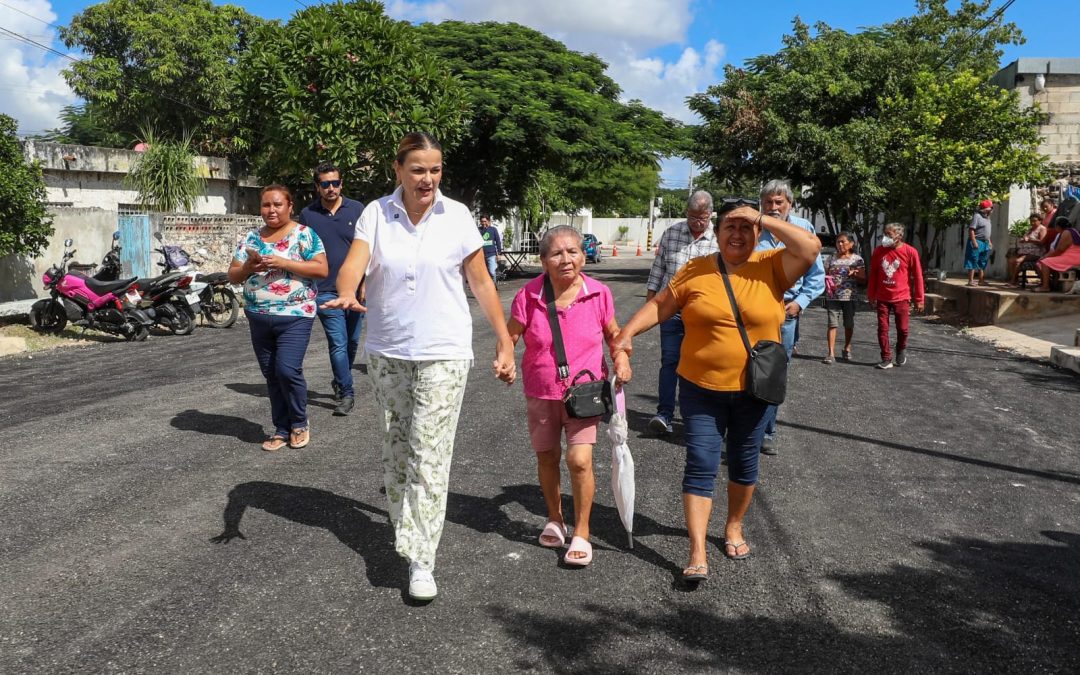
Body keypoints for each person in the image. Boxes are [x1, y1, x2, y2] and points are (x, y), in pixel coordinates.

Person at [322, 132, 516, 601]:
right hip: (388, 351)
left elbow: (481, 281)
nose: (428, 179)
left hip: (445, 350)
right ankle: (406, 526)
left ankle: (420, 557)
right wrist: (346, 290)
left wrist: (504, 339)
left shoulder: (458, 215)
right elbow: (354, 264)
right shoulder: (376, 213)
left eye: (435, 170)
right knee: (396, 449)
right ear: (398, 170)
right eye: (418, 170)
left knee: (429, 453)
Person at [612, 198, 820, 582]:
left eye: (745, 227)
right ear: (717, 231)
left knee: (744, 461)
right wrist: (626, 334)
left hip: (754, 389)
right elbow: (661, 305)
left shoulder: (773, 265)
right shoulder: (696, 269)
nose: (737, 234)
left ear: (758, 232)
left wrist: (761, 217)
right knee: (700, 463)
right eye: (730, 226)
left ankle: (734, 526)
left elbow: (810, 248)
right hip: (700, 389)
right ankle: (696, 549)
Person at [506, 226, 631, 567]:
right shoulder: (528, 295)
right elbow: (511, 336)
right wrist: (504, 358)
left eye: (573, 251)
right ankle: (555, 518)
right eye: (557, 253)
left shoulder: (599, 293)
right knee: (547, 457)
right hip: (541, 390)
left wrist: (621, 358)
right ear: (543, 260)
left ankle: (582, 531)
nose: (566, 259)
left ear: (583, 256)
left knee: (579, 460)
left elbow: (614, 334)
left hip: (585, 392)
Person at [228, 185, 328, 452]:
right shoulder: (251, 238)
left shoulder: (304, 234)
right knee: (271, 374)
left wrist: (284, 263)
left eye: (277, 204)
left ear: (290, 206)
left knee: (287, 369)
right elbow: (233, 275)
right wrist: (248, 267)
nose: (271, 210)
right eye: (266, 205)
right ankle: (282, 428)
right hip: (258, 315)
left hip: (295, 315)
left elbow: (321, 269)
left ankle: (299, 423)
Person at [754, 180, 824, 455]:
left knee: (773, 376)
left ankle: (766, 432)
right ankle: (746, 429)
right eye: (768, 202)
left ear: (789, 204)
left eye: (778, 202)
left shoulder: (803, 230)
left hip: (786, 316)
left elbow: (817, 276)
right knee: (747, 371)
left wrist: (800, 302)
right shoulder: (753, 230)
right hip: (754, 313)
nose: (773, 207)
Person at [644, 190, 719, 435]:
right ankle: (664, 414)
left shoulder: (718, 239)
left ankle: (695, 417)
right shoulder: (672, 233)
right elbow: (658, 268)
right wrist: (650, 300)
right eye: (693, 216)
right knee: (670, 361)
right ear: (686, 212)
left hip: (704, 314)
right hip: (671, 310)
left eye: (702, 217)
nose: (697, 222)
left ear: (710, 214)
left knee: (701, 364)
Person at [298, 162, 365, 416]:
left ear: (341, 183)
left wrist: (365, 282)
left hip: (355, 289)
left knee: (352, 342)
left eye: (335, 183)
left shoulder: (357, 209)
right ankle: (347, 393)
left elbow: (369, 249)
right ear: (317, 187)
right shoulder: (308, 215)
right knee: (338, 342)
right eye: (325, 184)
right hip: (325, 290)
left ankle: (339, 380)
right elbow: (304, 251)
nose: (331, 188)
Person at [867, 223, 924, 369]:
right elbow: (873, 274)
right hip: (882, 297)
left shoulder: (910, 252)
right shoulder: (879, 251)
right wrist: (871, 295)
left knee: (903, 329)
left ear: (899, 236)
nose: (885, 237)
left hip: (902, 297)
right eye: (885, 234)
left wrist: (919, 299)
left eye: (889, 235)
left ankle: (901, 348)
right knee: (882, 328)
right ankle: (886, 358)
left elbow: (918, 276)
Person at [821, 232, 864, 363]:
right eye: (838, 242)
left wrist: (855, 274)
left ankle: (847, 348)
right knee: (832, 324)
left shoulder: (857, 260)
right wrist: (826, 281)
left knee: (848, 324)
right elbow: (823, 274)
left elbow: (863, 279)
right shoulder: (831, 258)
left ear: (851, 244)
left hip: (849, 297)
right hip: (832, 296)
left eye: (843, 241)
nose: (840, 244)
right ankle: (831, 353)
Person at [1033, 219, 1080, 293]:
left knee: (1045, 262)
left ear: (1058, 227)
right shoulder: (1073, 231)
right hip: (1073, 257)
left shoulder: (1066, 232)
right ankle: (1051, 284)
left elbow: (1060, 250)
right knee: (1043, 261)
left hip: (1073, 258)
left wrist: (1048, 257)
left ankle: (1045, 287)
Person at [1006, 213, 1048, 287]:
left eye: (1034, 221)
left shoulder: (1042, 229)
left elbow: (1042, 242)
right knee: (1011, 260)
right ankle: (1015, 280)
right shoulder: (1030, 229)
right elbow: (1025, 239)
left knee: (1018, 261)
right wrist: (1023, 240)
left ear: (1040, 221)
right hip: (1025, 251)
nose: (1032, 223)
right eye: (1031, 221)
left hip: (1036, 252)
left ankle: (1013, 281)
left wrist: (1030, 240)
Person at [965, 200, 994, 287]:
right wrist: (974, 241)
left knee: (983, 261)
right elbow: (971, 229)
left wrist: (989, 241)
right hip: (977, 241)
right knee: (973, 260)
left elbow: (986, 232)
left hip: (985, 242)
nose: (991, 209)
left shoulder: (988, 218)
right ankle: (970, 281)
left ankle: (981, 280)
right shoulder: (977, 216)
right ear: (985, 209)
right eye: (990, 208)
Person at [477, 216, 504, 281]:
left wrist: (499, 254)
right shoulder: (478, 230)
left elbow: (498, 241)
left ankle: (493, 285)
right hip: (480, 255)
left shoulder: (493, 229)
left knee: (492, 272)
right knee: (482, 274)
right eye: (482, 221)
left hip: (491, 255)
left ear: (488, 221)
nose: (483, 223)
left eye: (485, 221)